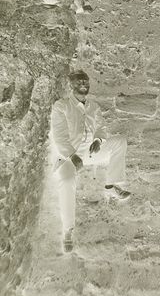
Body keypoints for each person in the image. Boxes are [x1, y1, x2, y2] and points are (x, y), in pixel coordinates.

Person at [51, 70, 130, 253]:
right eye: (79, 82)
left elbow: (101, 126)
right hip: (69, 156)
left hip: (89, 153)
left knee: (120, 142)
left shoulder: (93, 106)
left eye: (86, 82)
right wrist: (73, 155)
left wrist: (98, 140)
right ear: (71, 85)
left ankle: (110, 187)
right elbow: (59, 136)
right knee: (67, 179)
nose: (84, 84)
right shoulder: (61, 106)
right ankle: (68, 230)